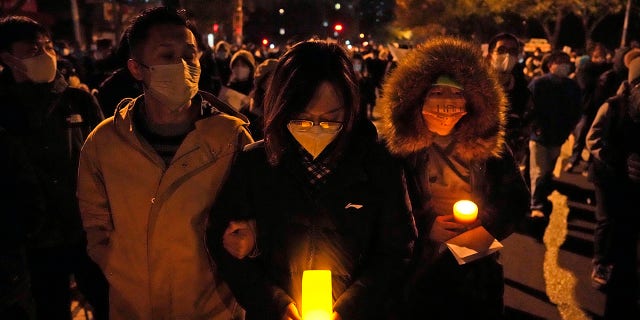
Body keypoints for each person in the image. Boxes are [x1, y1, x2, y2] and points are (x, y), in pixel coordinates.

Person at [206, 39, 416, 320]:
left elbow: (397, 251)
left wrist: (350, 308)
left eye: (331, 119)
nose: (316, 129)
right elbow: (225, 242)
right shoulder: (255, 163)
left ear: (351, 109)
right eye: (303, 119)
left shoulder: (379, 165)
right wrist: (275, 304)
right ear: (282, 108)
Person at [76, 7, 253, 319]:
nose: (182, 66)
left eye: (190, 55)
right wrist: (122, 272)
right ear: (136, 68)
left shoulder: (231, 137)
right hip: (134, 309)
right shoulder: (104, 143)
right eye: (167, 55)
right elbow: (95, 224)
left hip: (213, 309)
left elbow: (256, 214)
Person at [378, 36, 530, 319]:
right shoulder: (396, 151)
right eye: (436, 94)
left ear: (472, 101)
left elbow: (517, 200)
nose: (446, 104)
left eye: (456, 94)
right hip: (414, 269)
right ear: (416, 98)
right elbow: (381, 207)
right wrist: (424, 228)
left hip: (475, 272)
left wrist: (480, 229)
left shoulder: (490, 147)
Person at [0, 15, 109, 320]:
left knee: (111, 304)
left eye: (48, 47)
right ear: (7, 58)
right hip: (35, 244)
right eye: (34, 50)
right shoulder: (4, 110)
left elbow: (106, 160)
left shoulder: (78, 101)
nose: (46, 55)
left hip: (87, 231)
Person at [585, 48, 640, 318]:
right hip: (607, 175)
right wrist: (613, 158)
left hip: (632, 181)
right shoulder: (613, 105)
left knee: (626, 224)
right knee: (606, 219)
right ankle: (602, 262)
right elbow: (593, 138)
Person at [527, 51, 582, 219]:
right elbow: (529, 107)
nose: (563, 65)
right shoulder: (539, 83)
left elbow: (576, 111)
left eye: (566, 62)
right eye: (559, 61)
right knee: (538, 172)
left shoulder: (572, 87)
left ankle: (540, 196)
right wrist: (534, 128)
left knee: (547, 171)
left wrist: (568, 130)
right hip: (539, 137)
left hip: (557, 138)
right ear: (550, 65)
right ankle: (536, 205)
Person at [487, 32, 533, 181]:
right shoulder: (474, 86)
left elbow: (528, 124)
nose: (507, 55)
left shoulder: (524, 90)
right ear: (490, 55)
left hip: (508, 162)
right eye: (501, 50)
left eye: (513, 51)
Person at [565, 43, 612, 174]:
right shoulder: (586, 68)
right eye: (598, 56)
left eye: (602, 55)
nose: (601, 58)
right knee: (581, 135)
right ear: (592, 56)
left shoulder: (607, 69)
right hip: (587, 108)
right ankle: (573, 160)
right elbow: (585, 85)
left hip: (601, 109)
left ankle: (590, 164)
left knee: (596, 138)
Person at [239, 57, 278, 141]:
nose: (278, 81)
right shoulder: (249, 110)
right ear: (262, 81)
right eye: (273, 76)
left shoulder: (284, 104)